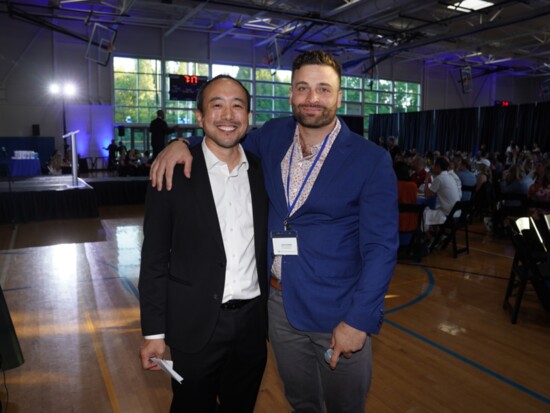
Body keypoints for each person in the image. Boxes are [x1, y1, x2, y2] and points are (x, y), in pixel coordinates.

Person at [150, 50, 399, 413]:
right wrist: (180, 143)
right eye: (303, 88)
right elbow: (221, 137)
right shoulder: (273, 135)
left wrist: (358, 320)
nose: (312, 98)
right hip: (278, 310)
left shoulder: (370, 159)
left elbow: (381, 248)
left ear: (339, 96)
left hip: (338, 311)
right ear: (291, 94)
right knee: (300, 401)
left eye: (323, 89)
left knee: (346, 406)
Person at [139, 75, 268, 413]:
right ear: (199, 117)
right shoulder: (171, 172)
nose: (228, 115)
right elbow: (153, 259)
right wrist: (154, 332)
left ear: (249, 117)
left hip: (252, 325)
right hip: (194, 326)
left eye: (237, 105)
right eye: (217, 105)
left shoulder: (260, 170)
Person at [422, 157, 461, 239]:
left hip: (449, 214)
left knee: (424, 211)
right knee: (433, 210)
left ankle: (430, 238)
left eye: (434, 166)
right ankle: (439, 236)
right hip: (457, 212)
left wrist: (426, 179)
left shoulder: (439, 178)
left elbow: (427, 194)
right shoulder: (450, 176)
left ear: (438, 167)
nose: (433, 168)